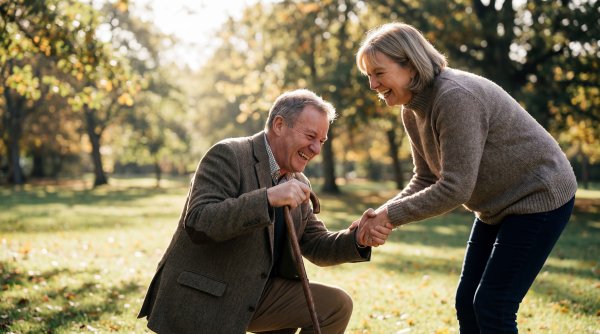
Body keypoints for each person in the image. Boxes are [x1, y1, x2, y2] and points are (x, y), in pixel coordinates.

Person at [352, 22, 577, 333]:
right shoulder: (412, 109)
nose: (372, 84)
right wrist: (379, 214)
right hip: (496, 206)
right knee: (466, 302)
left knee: (493, 304)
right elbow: (427, 177)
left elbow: (455, 188)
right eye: (368, 76)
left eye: (378, 73)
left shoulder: (455, 97)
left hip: (539, 195)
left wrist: (390, 216)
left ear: (411, 66)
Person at [138, 89, 391, 334]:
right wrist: (268, 198)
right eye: (310, 136)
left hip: (259, 293)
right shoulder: (228, 155)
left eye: (321, 141)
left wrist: (356, 238)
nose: (316, 149)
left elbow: (314, 243)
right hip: (208, 294)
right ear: (279, 125)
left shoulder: (299, 181)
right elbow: (199, 221)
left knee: (336, 305)